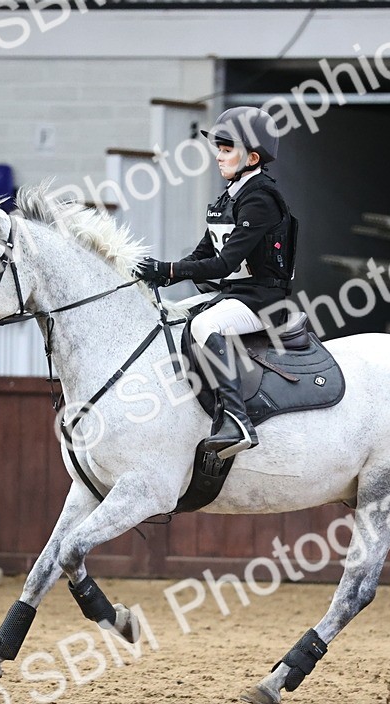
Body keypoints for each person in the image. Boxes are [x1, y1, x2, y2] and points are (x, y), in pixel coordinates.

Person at [134, 106, 297, 459]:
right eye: (219, 150)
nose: (219, 158)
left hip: (264, 300)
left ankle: (236, 420)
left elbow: (224, 263)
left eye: (228, 150)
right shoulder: (230, 196)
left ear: (252, 157)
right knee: (175, 318)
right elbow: (200, 255)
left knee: (206, 324)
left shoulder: (261, 199)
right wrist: (157, 272)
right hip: (236, 294)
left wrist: (171, 269)